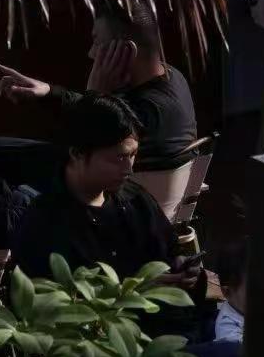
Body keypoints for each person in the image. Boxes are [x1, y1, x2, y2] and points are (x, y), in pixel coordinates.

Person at [0, 3, 198, 194]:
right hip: (125, 199)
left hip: (98, 205)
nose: (91, 52)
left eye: (97, 41)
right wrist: (49, 91)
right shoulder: (173, 79)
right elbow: (111, 112)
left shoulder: (145, 115)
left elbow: (79, 145)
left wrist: (94, 92)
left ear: (126, 50)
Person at [10, 94, 185, 283]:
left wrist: (182, 266)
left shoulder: (136, 199)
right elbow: (45, 296)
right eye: (119, 157)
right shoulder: (43, 222)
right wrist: (141, 287)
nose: (129, 169)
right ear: (77, 153)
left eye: (133, 155)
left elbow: (171, 251)